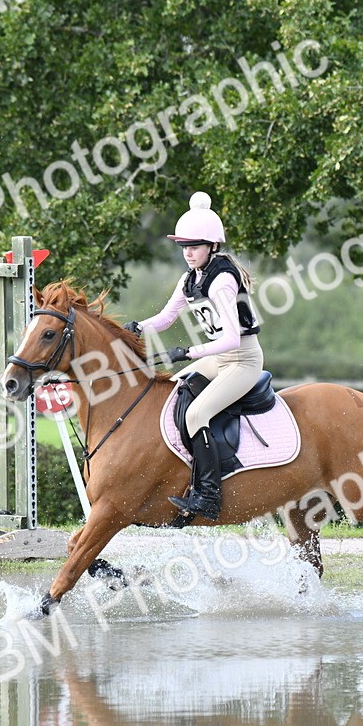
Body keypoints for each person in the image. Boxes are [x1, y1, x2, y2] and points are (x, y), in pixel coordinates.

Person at [123, 191, 263, 521]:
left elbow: (231, 339)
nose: (188, 253)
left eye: (195, 246)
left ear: (211, 246)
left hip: (242, 361)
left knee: (197, 413)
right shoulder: (191, 279)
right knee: (170, 391)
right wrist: (137, 328)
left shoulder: (221, 281)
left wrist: (187, 351)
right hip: (220, 360)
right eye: (184, 247)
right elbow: (167, 317)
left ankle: (209, 496)